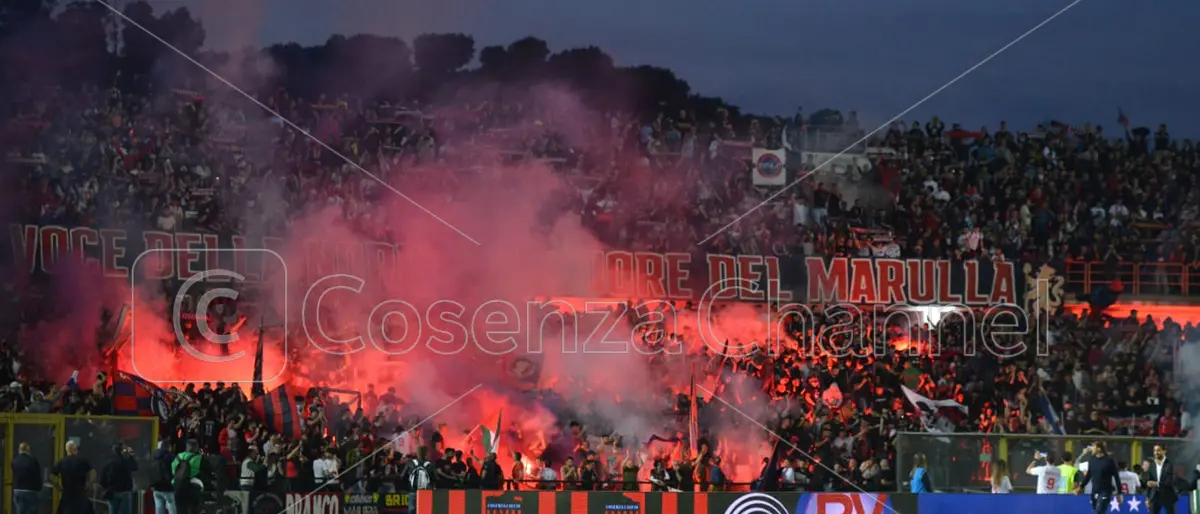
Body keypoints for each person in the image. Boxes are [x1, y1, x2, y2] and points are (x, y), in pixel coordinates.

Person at [1077, 441, 1122, 514]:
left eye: (1093, 447)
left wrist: (1119, 493)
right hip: (1094, 490)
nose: (1091, 449)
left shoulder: (1109, 460)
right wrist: (1081, 487)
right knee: (1096, 511)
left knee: (1098, 512)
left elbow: (1116, 477)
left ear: (1099, 449)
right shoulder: (1092, 459)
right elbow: (1089, 475)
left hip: (1105, 491)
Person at [52, 440, 94, 514]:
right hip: (81, 495)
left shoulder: (62, 462)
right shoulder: (82, 461)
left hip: (67, 495)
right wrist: (89, 484)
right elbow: (93, 473)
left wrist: (58, 487)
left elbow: (51, 476)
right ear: (75, 449)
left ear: (67, 450)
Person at [99, 443, 138, 514]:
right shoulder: (126, 461)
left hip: (112, 491)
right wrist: (130, 456)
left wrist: (107, 487)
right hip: (125, 491)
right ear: (122, 451)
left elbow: (103, 478)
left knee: (113, 511)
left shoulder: (108, 462)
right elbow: (135, 467)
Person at [1142, 445, 1178, 514]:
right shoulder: (1152, 465)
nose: (1156, 452)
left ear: (1164, 451)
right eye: (1154, 451)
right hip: (1155, 496)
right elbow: (1149, 483)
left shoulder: (1169, 465)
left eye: (1158, 450)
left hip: (1168, 496)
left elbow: (1169, 482)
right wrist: (1147, 498)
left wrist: (1156, 484)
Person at [172, 440, 205, 514]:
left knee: (180, 510)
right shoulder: (198, 458)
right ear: (196, 448)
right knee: (193, 510)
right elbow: (206, 471)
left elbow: (173, 470)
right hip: (192, 487)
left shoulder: (178, 456)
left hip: (177, 485)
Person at [11, 442, 43, 514]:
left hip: (17, 489)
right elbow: (37, 476)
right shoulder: (33, 461)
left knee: (19, 510)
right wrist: (39, 487)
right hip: (30, 490)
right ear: (28, 450)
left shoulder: (14, 461)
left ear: (19, 450)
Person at [150, 442, 177, 514]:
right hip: (168, 488)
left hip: (156, 488)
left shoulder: (154, 456)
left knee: (159, 510)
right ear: (169, 448)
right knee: (172, 509)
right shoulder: (172, 457)